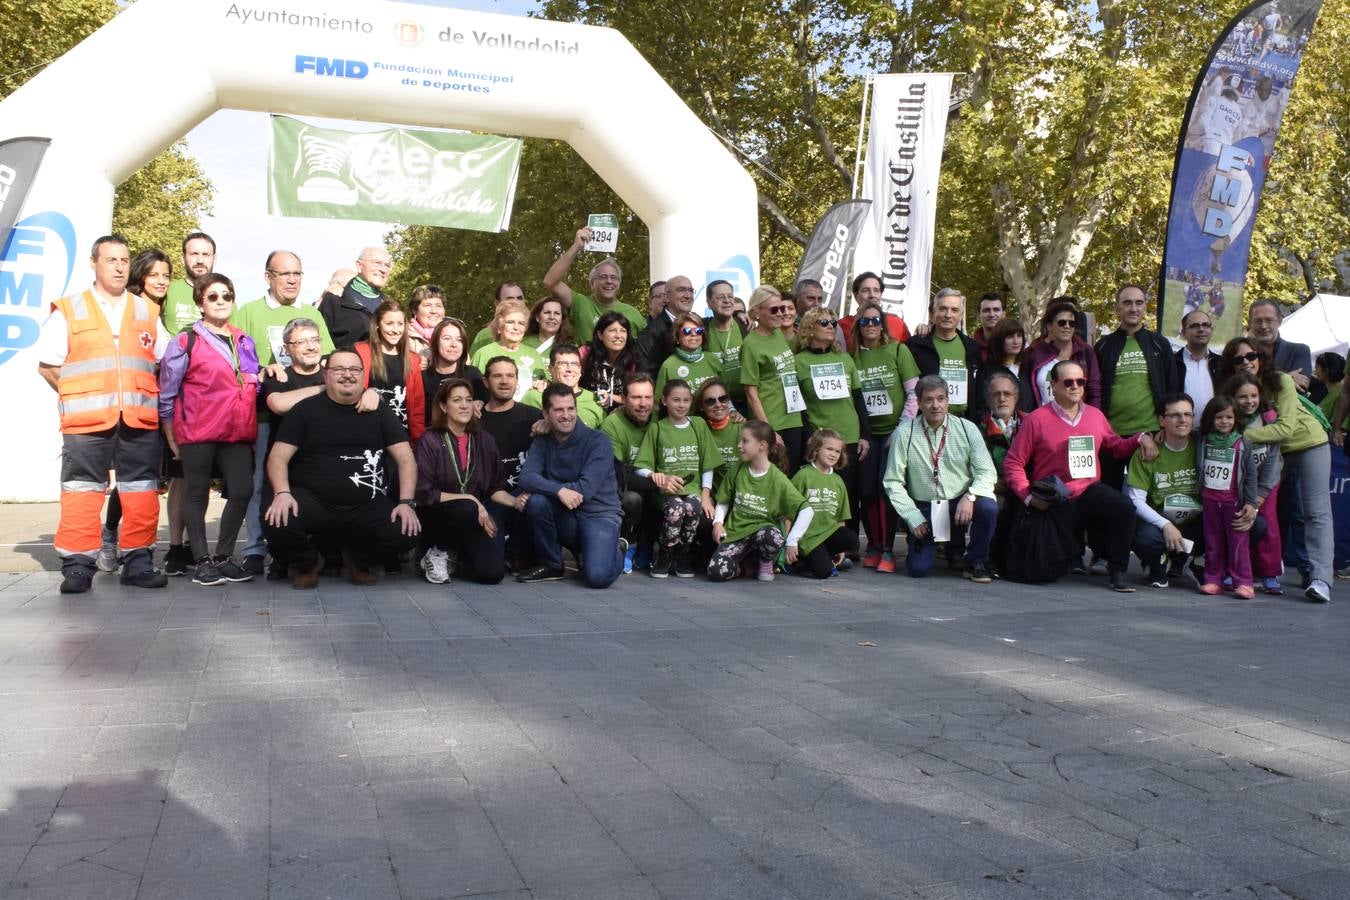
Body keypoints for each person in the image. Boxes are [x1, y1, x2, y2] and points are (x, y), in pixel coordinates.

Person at [37, 234, 170, 593]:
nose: (118, 266)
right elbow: (49, 366)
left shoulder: (146, 311)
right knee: (83, 489)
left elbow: (166, 361)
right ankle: (78, 565)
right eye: (110, 260)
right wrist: (83, 395)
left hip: (138, 420)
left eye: (124, 260)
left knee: (141, 489)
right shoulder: (70, 308)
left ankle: (138, 560)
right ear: (94, 264)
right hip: (87, 422)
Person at [263, 348, 420, 587]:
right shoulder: (305, 410)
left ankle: (357, 560)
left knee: (407, 530)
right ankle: (307, 563)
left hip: (365, 503)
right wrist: (283, 494)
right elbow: (277, 458)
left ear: (362, 375)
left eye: (354, 369)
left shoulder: (380, 411)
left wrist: (406, 503)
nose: (347, 375)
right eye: (339, 369)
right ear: (326, 375)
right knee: (276, 519)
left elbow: (406, 459)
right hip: (314, 502)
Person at [1003, 361, 1157, 592]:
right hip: (1055, 496)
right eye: (1068, 382)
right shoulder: (1036, 419)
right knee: (1041, 573)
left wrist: (1140, 438)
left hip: (1088, 490)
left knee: (1123, 506)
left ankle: (1118, 570)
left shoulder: (1095, 415)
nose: (1075, 386)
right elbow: (1013, 462)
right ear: (1053, 385)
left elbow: (1116, 447)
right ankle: (1067, 557)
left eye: (1080, 382)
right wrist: (1028, 497)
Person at [231, 249, 335, 575]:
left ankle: (301, 549)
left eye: (297, 274)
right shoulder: (248, 312)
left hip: (314, 422)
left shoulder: (313, 315)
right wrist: (262, 371)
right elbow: (234, 362)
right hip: (266, 417)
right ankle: (254, 550)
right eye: (284, 274)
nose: (292, 280)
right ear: (268, 277)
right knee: (261, 483)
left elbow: (328, 361)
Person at [156, 274, 261, 586]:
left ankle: (224, 557)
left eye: (226, 295)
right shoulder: (185, 341)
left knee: (242, 490)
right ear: (200, 302)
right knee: (196, 491)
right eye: (213, 296)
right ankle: (202, 560)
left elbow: (251, 380)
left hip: (237, 430)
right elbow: (167, 392)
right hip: (198, 430)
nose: (221, 301)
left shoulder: (243, 339)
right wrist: (170, 433)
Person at [1218, 338, 1334, 602]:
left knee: (1315, 511)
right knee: (1250, 502)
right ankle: (1252, 568)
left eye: (1252, 355)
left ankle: (1321, 579)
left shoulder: (1280, 380)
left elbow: (1286, 428)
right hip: (1272, 451)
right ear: (1231, 365)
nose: (1247, 361)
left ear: (1261, 357)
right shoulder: (1233, 389)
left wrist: (1242, 436)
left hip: (1307, 444)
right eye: (1238, 359)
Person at [100, 248, 181, 575]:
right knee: (133, 480)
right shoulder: (132, 309)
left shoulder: (154, 312)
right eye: (154, 275)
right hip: (131, 408)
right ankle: (111, 537)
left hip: (158, 407)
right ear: (140, 277)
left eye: (166, 276)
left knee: (145, 481)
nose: (161, 281)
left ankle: (137, 547)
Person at [882, 375, 998, 582]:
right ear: (918, 403)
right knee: (918, 569)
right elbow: (892, 482)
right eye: (928, 399)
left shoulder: (967, 428)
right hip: (925, 507)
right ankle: (942, 545)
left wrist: (970, 496)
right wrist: (912, 516)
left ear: (948, 401)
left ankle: (975, 561)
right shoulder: (904, 433)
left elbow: (987, 472)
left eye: (940, 398)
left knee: (988, 506)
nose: (935, 405)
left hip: (960, 502)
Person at [516, 384, 625, 587]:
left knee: (597, 578)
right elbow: (526, 477)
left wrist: (551, 488)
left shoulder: (598, 441)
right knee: (537, 502)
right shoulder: (543, 442)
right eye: (558, 410)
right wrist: (558, 490)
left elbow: (585, 490)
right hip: (566, 514)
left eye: (570, 408)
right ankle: (552, 564)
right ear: (546, 414)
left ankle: (616, 549)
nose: (566, 415)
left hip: (598, 514)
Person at [414, 379, 515, 584]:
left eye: (469, 400)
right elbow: (424, 492)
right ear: (443, 406)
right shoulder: (430, 440)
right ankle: (435, 551)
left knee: (492, 573)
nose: (464, 405)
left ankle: (456, 556)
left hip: (471, 518)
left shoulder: (484, 440)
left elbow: (495, 487)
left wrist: (517, 502)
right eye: (457, 400)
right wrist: (470, 499)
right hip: (437, 516)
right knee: (466, 506)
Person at [850, 301, 919, 571]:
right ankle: (875, 544)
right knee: (866, 490)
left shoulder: (898, 350)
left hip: (895, 431)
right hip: (867, 434)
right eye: (865, 321)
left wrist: (901, 428)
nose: (871, 326)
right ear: (858, 325)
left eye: (876, 320)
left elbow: (914, 393)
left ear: (884, 324)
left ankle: (889, 549)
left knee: (886, 489)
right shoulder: (853, 357)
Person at [1094, 284, 1182, 493]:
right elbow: (1094, 391)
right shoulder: (1103, 346)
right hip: (1111, 436)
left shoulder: (1160, 344)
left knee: (1148, 498)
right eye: (1127, 303)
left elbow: (1172, 389)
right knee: (1112, 499)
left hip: (1150, 434)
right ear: (1117, 309)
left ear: (1145, 307)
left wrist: (1165, 427)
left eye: (1139, 303)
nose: (1133, 308)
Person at [707, 421, 813, 582]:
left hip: (763, 532)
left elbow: (806, 509)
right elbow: (723, 499)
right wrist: (718, 522)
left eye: (745, 441)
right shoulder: (737, 469)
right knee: (716, 572)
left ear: (762, 445)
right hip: (736, 533)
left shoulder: (778, 479)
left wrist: (793, 540)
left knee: (773, 537)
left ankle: (765, 560)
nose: (739, 445)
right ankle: (748, 567)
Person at [635, 379, 719, 578]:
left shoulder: (698, 425)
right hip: (666, 492)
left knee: (693, 506)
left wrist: (705, 494)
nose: (681, 405)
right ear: (664, 401)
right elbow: (641, 466)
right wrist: (655, 476)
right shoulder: (657, 428)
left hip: (693, 490)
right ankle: (665, 553)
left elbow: (708, 464)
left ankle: (683, 554)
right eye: (676, 400)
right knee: (676, 508)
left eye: (686, 400)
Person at [794, 307, 871, 526]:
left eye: (833, 324)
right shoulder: (798, 362)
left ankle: (849, 545)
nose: (830, 327)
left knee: (850, 493)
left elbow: (858, 399)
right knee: (821, 495)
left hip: (849, 435)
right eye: (824, 323)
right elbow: (796, 405)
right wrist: (809, 434)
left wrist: (865, 434)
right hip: (820, 437)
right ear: (810, 328)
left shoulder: (845, 359)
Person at [1126, 393, 1205, 589]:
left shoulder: (1202, 445)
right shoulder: (1147, 451)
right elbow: (1136, 500)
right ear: (1161, 420)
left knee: (1248, 525)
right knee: (1143, 536)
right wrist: (1165, 525)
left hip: (1196, 520)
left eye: (1188, 414)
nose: (1183, 420)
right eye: (1175, 415)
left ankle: (1196, 561)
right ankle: (1158, 564)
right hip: (1160, 522)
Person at [478, 356, 542, 570]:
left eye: (510, 376)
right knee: (490, 568)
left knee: (536, 502)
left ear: (517, 380)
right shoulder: (474, 420)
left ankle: (518, 552)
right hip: (490, 501)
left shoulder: (535, 416)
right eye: (497, 376)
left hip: (525, 499)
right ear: (486, 382)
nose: (504, 381)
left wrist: (549, 423)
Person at [1224, 372, 1286, 594]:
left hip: (1265, 483)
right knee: (1238, 524)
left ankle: (1269, 573)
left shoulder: (1269, 418)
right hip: (1237, 485)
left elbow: (1273, 459)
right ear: (1232, 397)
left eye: (1254, 395)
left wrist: (1260, 494)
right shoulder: (1228, 420)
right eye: (1243, 397)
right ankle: (1235, 570)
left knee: (1267, 524)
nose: (1249, 401)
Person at [1195, 396, 1259, 597]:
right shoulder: (1203, 440)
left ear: (1236, 419)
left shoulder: (1242, 443)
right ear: (1210, 419)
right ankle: (1213, 579)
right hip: (1210, 500)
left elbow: (1250, 475)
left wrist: (1250, 502)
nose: (1224, 422)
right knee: (1213, 541)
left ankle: (1244, 582)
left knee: (1238, 542)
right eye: (1219, 417)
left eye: (1229, 417)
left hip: (1234, 502)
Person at [740, 286, 806, 470]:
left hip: (793, 416)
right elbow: (751, 393)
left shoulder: (778, 333)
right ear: (757, 312)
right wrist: (768, 430)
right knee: (776, 475)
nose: (781, 314)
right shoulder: (750, 345)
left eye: (783, 308)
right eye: (774, 309)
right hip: (772, 419)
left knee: (791, 473)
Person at [543, 225, 645, 341]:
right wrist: (576, 246)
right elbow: (550, 282)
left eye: (613, 277)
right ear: (592, 284)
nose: (609, 281)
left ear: (619, 284)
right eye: (603, 277)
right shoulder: (580, 304)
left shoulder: (634, 315)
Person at [601, 373, 657, 574]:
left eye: (647, 397)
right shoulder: (612, 424)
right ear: (623, 399)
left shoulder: (662, 419)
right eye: (636, 397)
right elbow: (619, 471)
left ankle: (649, 548)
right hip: (624, 484)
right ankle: (628, 545)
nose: (643, 404)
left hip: (658, 482)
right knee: (633, 499)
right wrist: (656, 481)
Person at [354, 300, 427, 443]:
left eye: (400, 324)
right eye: (389, 323)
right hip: (367, 435)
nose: (395, 330)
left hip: (402, 439)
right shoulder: (360, 352)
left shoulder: (412, 360)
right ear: (376, 325)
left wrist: (418, 442)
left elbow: (418, 408)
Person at [790, 430, 859, 579]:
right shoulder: (803, 476)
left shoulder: (838, 481)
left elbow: (841, 519)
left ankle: (825, 558)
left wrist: (839, 550)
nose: (833, 454)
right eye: (829, 449)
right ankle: (801, 561)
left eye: (837, 451)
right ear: (816, 450)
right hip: (807, 538)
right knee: (823, 572)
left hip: (827, 535)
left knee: (851, 538)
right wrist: (788, 544)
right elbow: (787, 512)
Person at [906, 288, 982, 420]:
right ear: (933, 313)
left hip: (963, 421)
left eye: (954, 310)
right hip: (926, 421)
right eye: (943, 309)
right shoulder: (916, 345)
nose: (948, 314)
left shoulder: (972, 347)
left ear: (961, 315)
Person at [1024, 300, 1101, 410]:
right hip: (1045, 420)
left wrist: (1093, 418)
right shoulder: (1035, 353)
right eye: (1062, 322)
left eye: (1071, 323)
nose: (1067, 326)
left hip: (1078, 421)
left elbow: (1094, 391)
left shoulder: (1086, 352)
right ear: (1049, 326)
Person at [320, 246, 393, 346]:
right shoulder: (335, 300)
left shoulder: (389, 306)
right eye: (377, 263)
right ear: (359, 266)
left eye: (387, 265)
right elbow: (320, 342)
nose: (383, 270)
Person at [470, 299, 538, 402]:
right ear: (499, 327)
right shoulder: (483, 354)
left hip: (530, 415)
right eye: (510, 322)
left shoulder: (534, 354)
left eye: (521, 323)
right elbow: (471, 390)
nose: (516, 327)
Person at [522, 344, 605, 426]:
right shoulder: (534, 397)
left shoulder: (596, 401)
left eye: (574, 364)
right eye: (563, 364)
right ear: (550, 369)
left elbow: (602, 438)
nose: (569, 369)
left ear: (580, 369)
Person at [422, 317, 484, 424]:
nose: (454, 344)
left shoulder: (473, 375)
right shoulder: (422, 378)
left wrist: (480, 402)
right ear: (435, 342)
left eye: (459, 340)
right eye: (447, 338)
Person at [972, 317, 1034, 423]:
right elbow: (981, 409)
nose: (1016, 341)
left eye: (1019, 336)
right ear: (999, 340)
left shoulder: (1028, 367)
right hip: (999, 433)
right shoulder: (987, 371)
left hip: (1029, 429)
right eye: (1010, 337)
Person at [1247, 298, 1313, 393]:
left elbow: (1300, 388)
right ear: (1250, 323)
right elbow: (1236, 387)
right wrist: (1285, 378)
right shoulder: (1240, 352)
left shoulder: (1299, 351)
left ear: (1280, 320)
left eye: (1269, 320)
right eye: (1258, 321)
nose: (1263, 326)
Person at [580, 311, 639, 414]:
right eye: (612, 330)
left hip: (618, 416)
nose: (618, 335)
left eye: (623, 331)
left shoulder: (631, 360)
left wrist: (612, 397)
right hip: (586, 411)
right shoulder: (585, 353)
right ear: (600, 335)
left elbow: (634, 396)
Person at [636, 274, 695, 374]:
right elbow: (647, 376)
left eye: (690, 290)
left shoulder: (699, 324)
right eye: (681, 290)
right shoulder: (650, 334)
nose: (688, 295)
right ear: (667, 297)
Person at [656, 313, 723, 398]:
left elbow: (725, 392)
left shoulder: (712, 359)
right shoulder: (668, 366)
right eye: (687, 331)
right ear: (677, 337)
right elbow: (658, 401)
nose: (694, 334)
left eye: (699, 330)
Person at [839, 272, 910, 351]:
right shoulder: (841, 326)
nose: (872, 295)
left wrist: (922, 332)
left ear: (880, 295)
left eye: (876, 290)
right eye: (865, 290)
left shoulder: (897, 323)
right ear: (856, 296)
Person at [161, 231, 214, 336]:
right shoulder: (165, 289)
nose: (200, 260)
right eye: (194, 254)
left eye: (205, 255)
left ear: (214, 258)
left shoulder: (225, 297)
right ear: (183, 258)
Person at [703, 279, 748, 404]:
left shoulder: (744, 326)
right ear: (709, 302)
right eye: (720, 297)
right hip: (718, 403)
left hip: (748, 400)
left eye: (730, 296)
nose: (727, 300)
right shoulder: (702, 329)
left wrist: (739, 312)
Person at [695, 378, 743, 491]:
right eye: (710, 401)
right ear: (701, 406)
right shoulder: (698, 430)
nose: (718, 404)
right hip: (710, 498)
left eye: (723, 399)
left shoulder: (744, 428)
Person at [1176, 308, 1222, 415]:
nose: (1201, 329)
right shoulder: (1173, 363)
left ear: (1212, 330)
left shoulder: (1221, 363)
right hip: (1182, 430)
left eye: (1206, 325)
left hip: (1216, 430)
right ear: (1183, 332)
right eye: (1194, 326)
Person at [469, 282, 528, 357]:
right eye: (510, 299)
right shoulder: (483, 336)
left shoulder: (535, 330)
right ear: (497, 303)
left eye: (519, 298)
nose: (516, 302)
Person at [525, 296, 575, 382]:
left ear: (562, 319)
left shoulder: (570, 347)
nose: (552, 317)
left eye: (557, 313)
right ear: (537, 317)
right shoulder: (524, 343)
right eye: (547, 312)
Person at [406, 284, 446, 359]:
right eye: (427, 305)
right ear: (414, 310)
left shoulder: (454, 335)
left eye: (438, 306)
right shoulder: (402, 337)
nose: (434, 311)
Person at [971, 292, 1006, 362]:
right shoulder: (969, 348)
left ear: (1004, 314)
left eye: (996, 310)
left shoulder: (1017, 346)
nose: (992, 314)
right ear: (978, 315)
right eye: (986, 310)